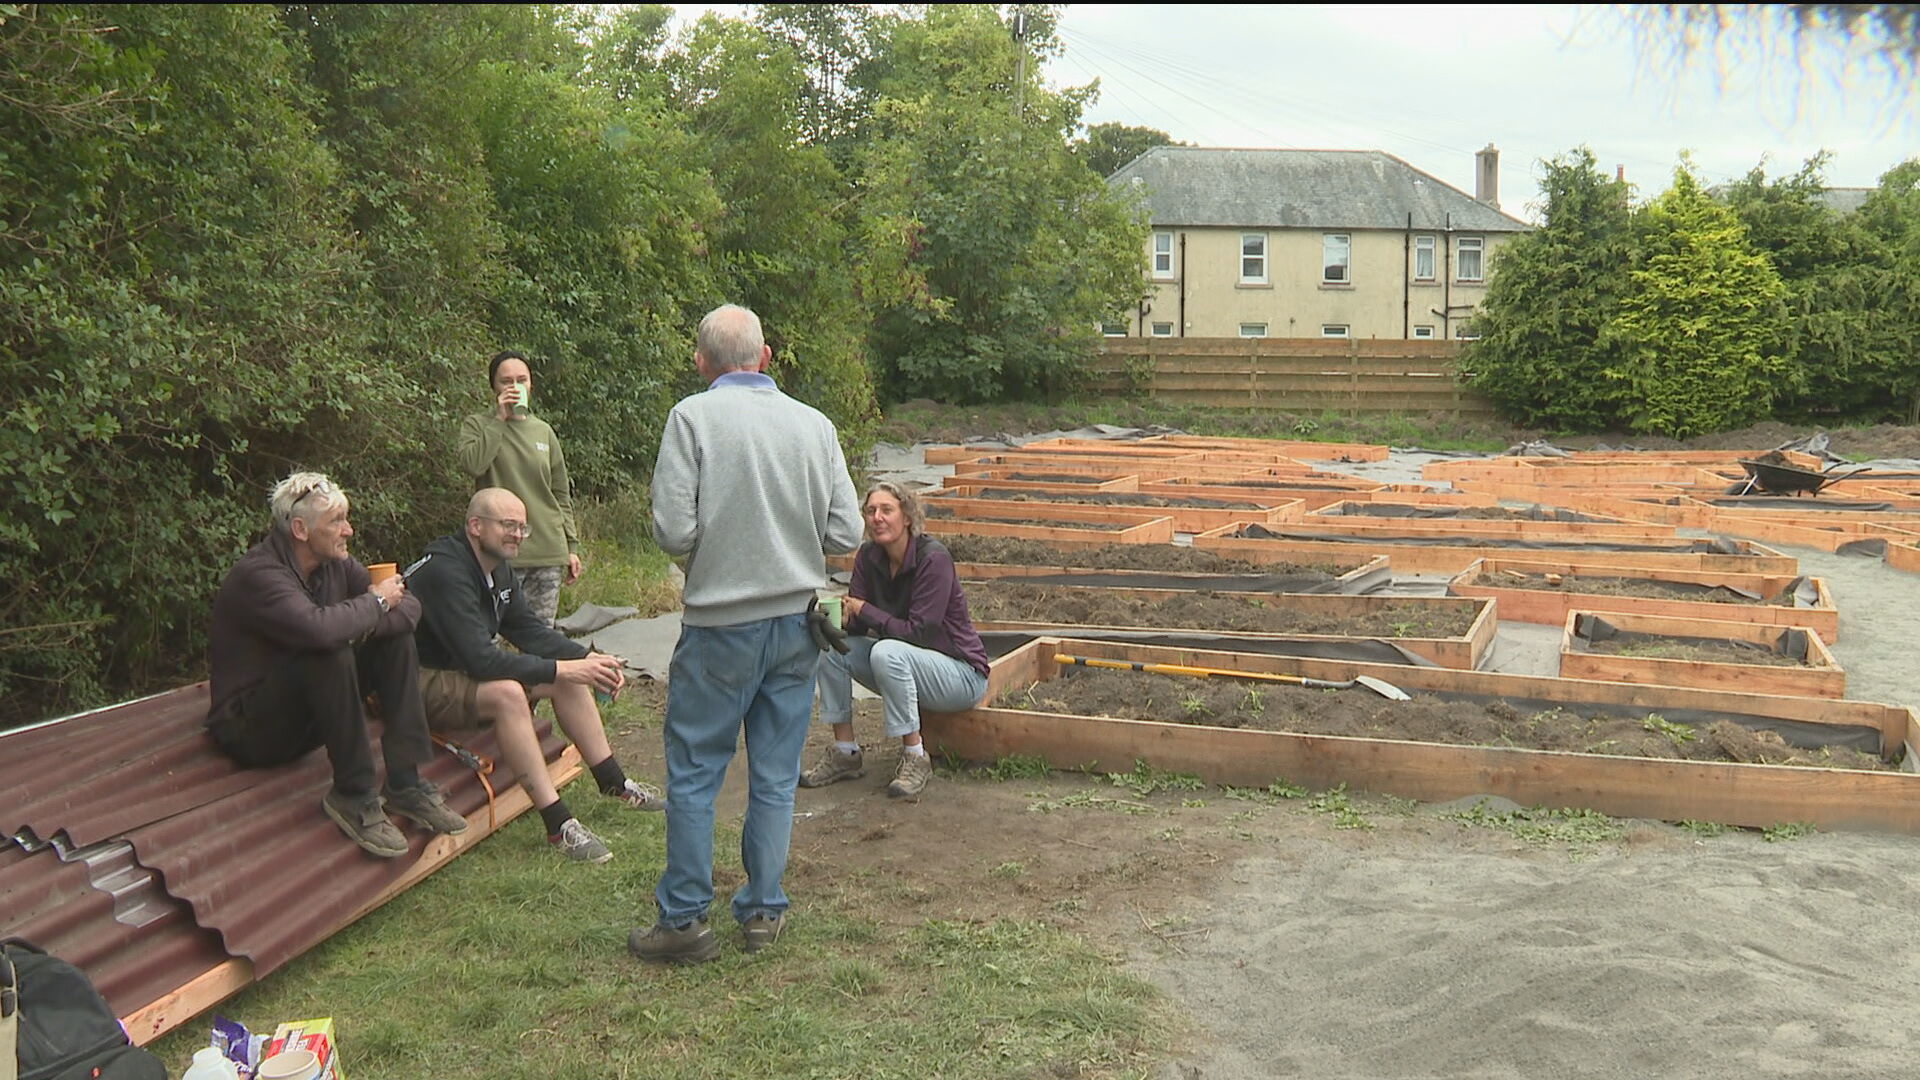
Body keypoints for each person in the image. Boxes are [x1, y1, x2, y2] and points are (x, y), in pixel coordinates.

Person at [629, 304, 862, 964]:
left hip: (718, 628)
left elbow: (673, 531)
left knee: (697, 772)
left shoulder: (692, 418)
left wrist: (721, 547)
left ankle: (682, 921)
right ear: (765, 359)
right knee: (775, 774)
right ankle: (763, 910)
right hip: (797, 627)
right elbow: (846, 534)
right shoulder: (814, 426)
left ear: (701, 363)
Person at [206, 471, 468, 858]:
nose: (349, 530)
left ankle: (405, 783)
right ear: (300, 529)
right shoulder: (260, 575)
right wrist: (377, 604)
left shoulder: (333, 564)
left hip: (308, 717)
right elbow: (320, 630)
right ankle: (354, 794)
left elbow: (409, 607)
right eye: (337, 522)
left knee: (393, 639)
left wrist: (379, 608)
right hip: (252, 731)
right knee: (327, 647)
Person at [408, 488, 666, 864]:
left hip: (459, 671)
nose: (517, 535)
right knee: (509, 694)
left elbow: (529, 631)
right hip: (413, 681)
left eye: (522, 528)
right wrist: (565, 666)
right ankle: (558, 824)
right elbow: (481, 661)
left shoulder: (497, 567)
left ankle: (614, 782)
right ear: (475, 526)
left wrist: (589, 659)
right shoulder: (446, 571)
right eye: (508, 525)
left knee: (568, 677)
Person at [801, 482, 991, 798]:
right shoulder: (868, 556)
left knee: (888, 652)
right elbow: (863, 625)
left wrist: (866, 610)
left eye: (887, 510)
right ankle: (845, 750)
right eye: (871, 511)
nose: (877, 517)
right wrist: (847, 619)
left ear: (906, 517)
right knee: (832, 647)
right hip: (907, 666)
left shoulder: (933, 559)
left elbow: (920, 633)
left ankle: (916, 756)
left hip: (960, 675)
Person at [456, 350, 582, 626]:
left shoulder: (543, 431)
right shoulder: (478, 425)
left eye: (521, 380)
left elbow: (560, 493)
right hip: (499, 552)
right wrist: (499, 420)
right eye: (506, 381)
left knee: (540, 636)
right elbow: (473, 465)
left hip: (546, 550)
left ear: (531, 384)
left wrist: (570, 546)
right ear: (494, 387)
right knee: (493, 635)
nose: (515, 387)